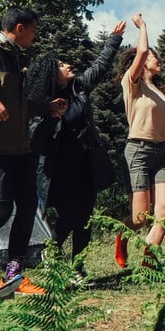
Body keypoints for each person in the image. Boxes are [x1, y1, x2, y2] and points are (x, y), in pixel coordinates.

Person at [26, 22, 126, 275]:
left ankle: (78, 269)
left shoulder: (79, 88)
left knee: (85, 220)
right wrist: (52, 117)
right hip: (59, 170)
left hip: (86, 164)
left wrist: (114, 39)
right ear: (51, 74)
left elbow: (100, 67)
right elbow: (35, 137)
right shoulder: (41, 104)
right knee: (70, 216)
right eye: (61, 65)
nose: (68, 65)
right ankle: (50, 255)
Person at [0, 7, 67, 298]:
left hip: (20, 148)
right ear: (20, 27)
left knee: (27, 206)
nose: (35, 36)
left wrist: (46, 107)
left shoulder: (17, 58)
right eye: (34, 30)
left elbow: (20, 104)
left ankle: (13, 275)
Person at [115, 14, 165, 268]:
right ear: (142, 63)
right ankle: (121, 236)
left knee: (163, 212)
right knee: (140, 217)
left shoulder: (159, 92)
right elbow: (142, 50)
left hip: (162, 153)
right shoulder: (132, 84)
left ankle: (148, 260)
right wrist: (143, 26)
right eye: (155, 57)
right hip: (139, 152)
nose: (159, 60)